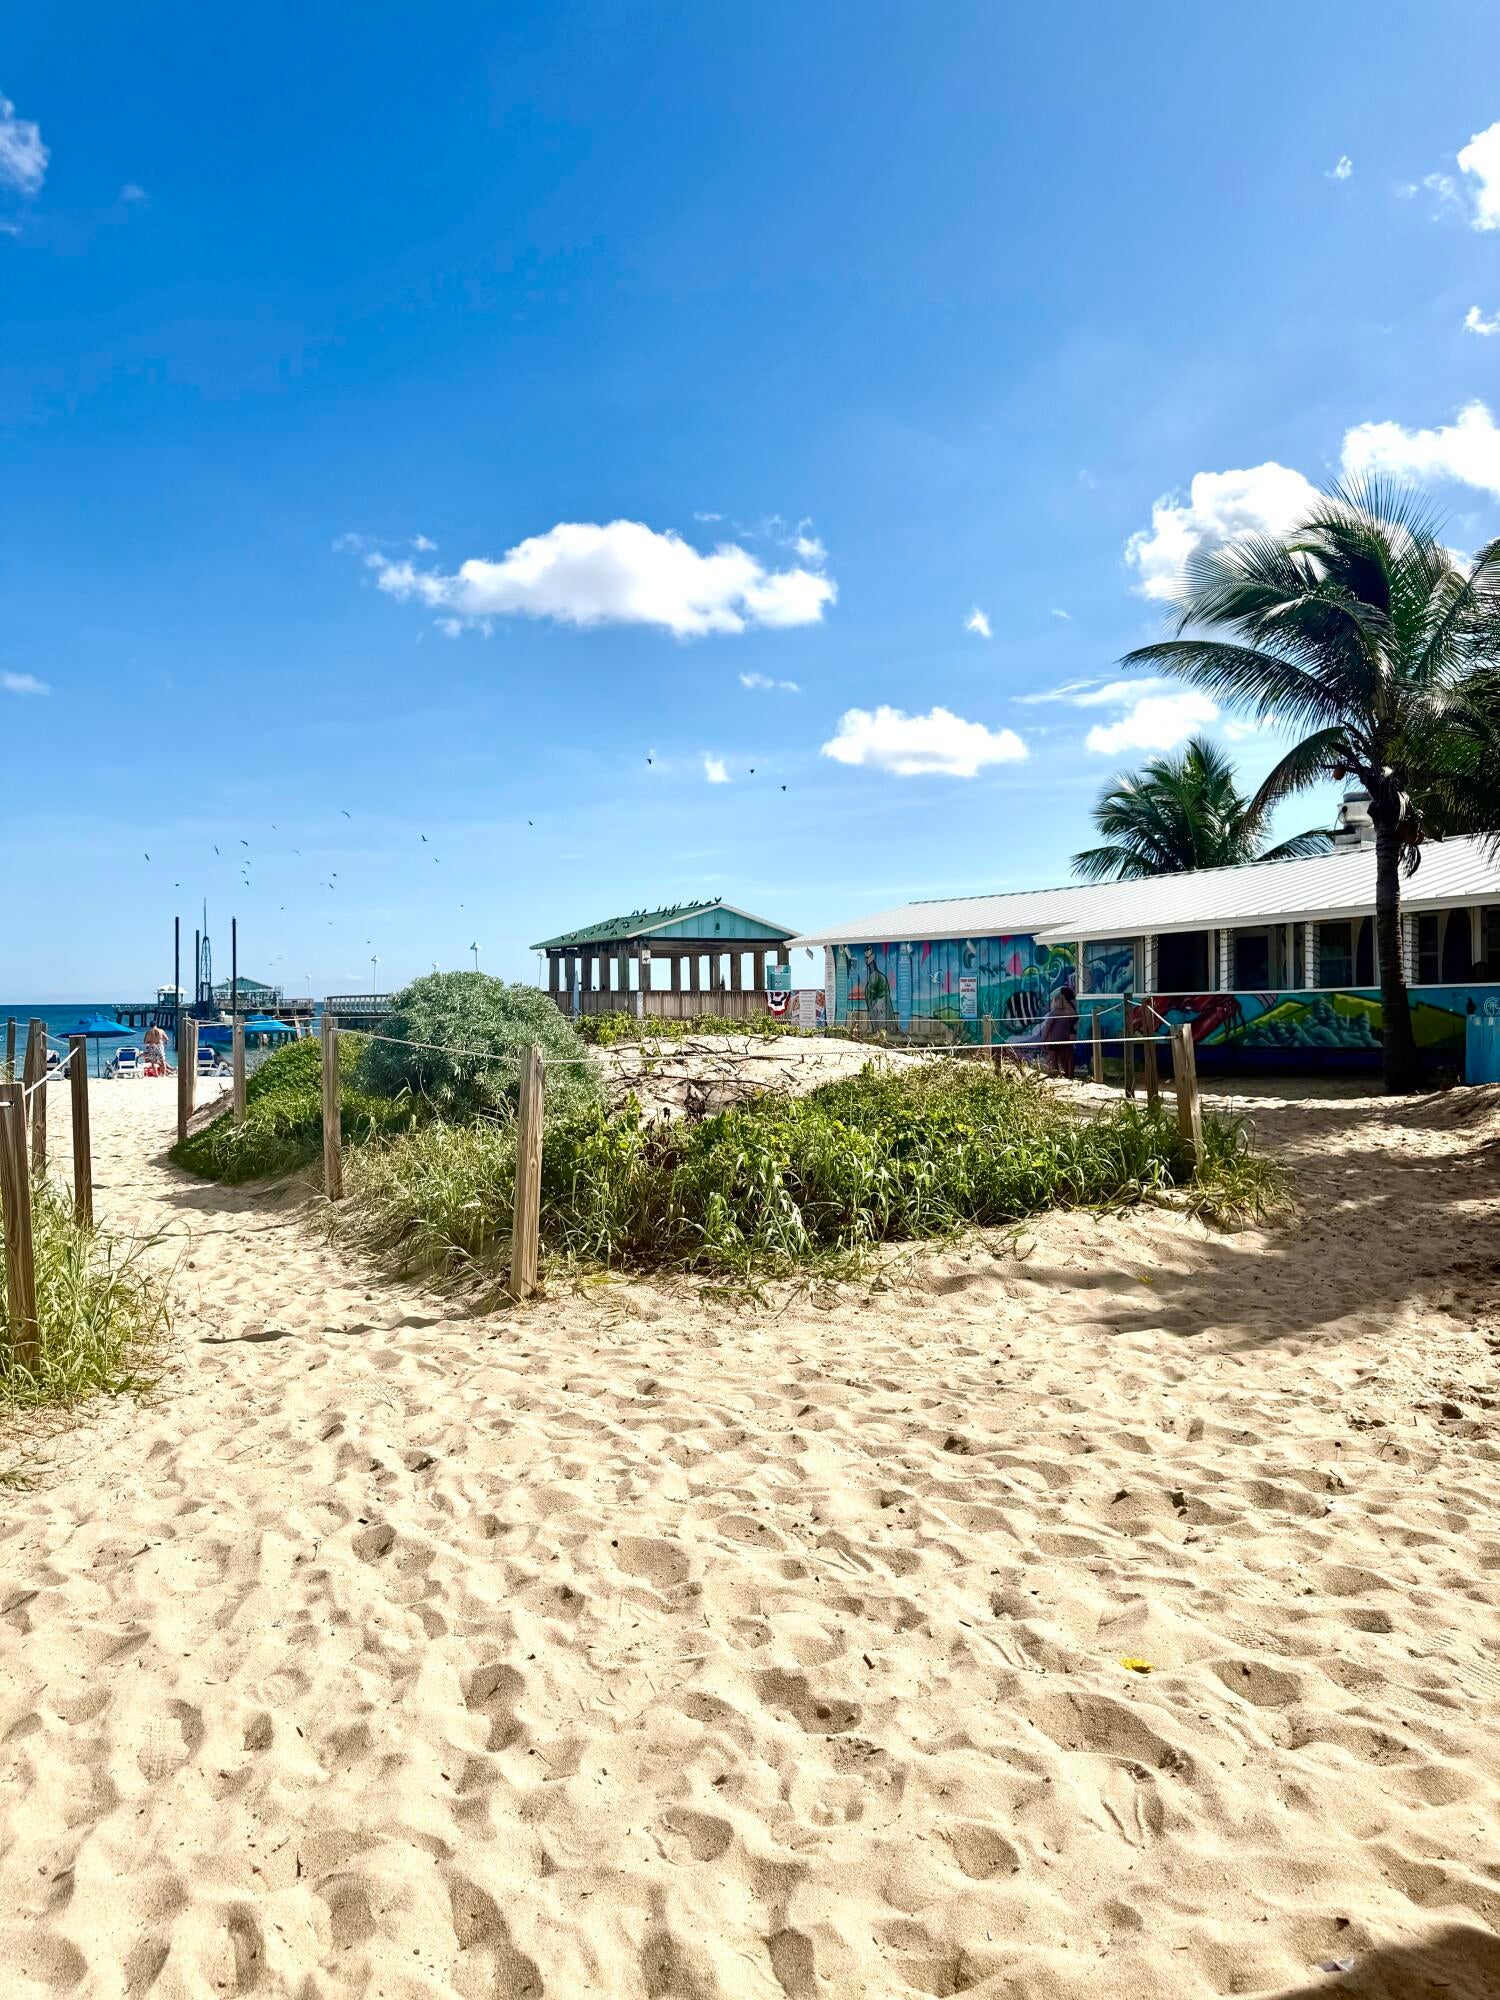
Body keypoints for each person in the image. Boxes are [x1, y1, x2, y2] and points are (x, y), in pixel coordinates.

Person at [1039, 983, 1078, 1080]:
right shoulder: (1069, 1012)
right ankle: (1068, 1075)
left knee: (1054, 1059)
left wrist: (1043, 1040)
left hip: (1054, 1040)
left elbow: (1048, 1027)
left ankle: (1056, 1075)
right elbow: (1074, 1020)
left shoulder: (1054, 1013)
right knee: (1065, 1058)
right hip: (1064, 1039)